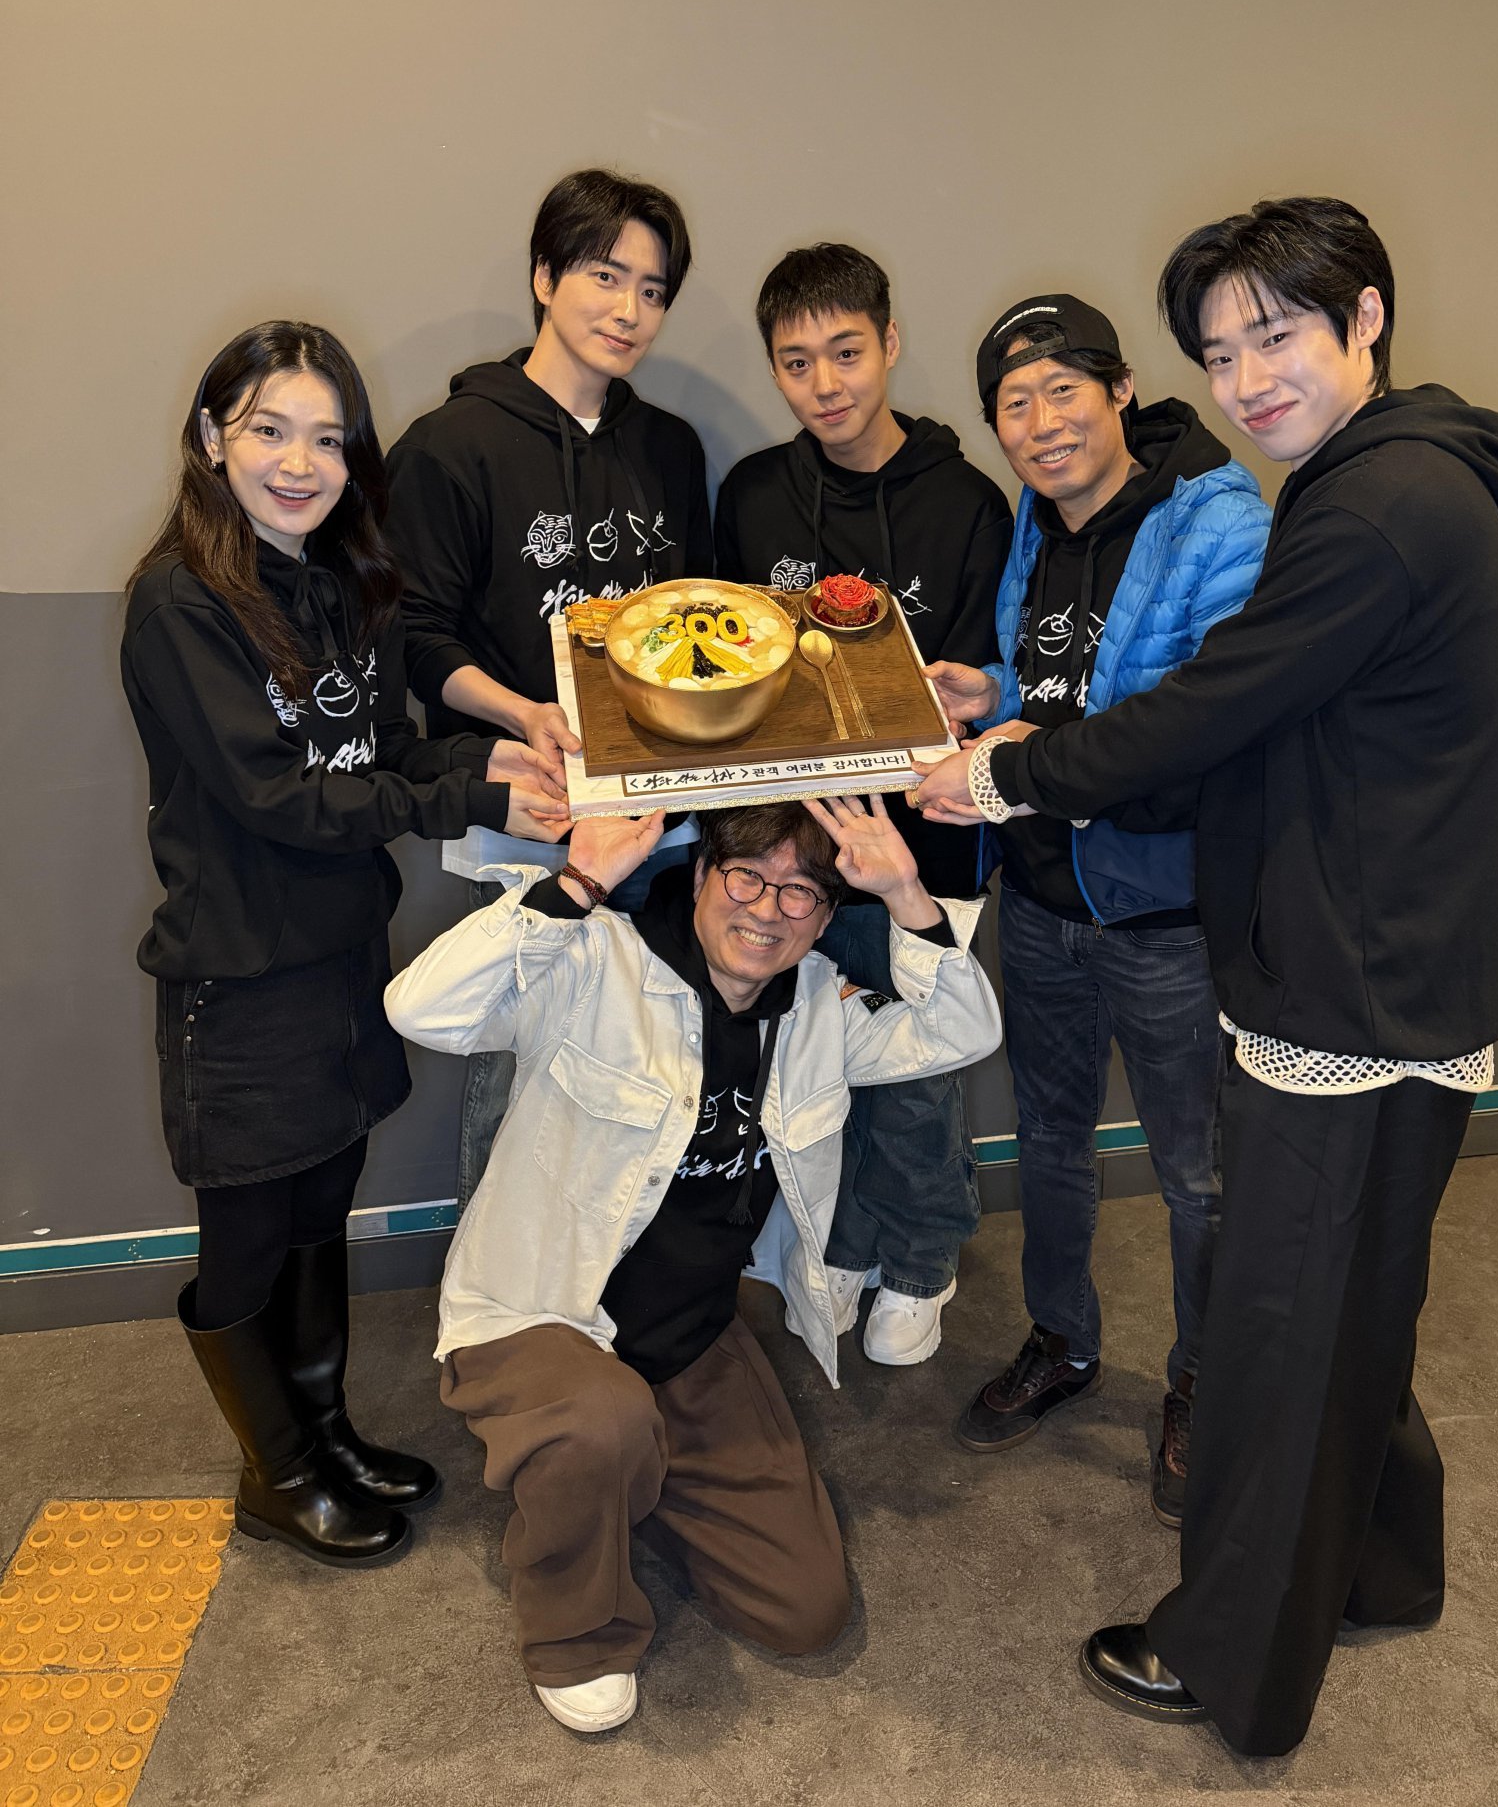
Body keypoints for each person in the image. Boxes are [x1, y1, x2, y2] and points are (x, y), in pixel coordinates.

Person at [915, 197, 1498, 1756]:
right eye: (1221, 350)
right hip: (1399, 963)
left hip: (1357, 984)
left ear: (1365, 316)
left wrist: (1002, 775)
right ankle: (1378, 1564)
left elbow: (1210, 706)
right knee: (1356, 1302)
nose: (1248, 378)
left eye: (1277, 334)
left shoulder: (1374, 507)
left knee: (1281, 1318)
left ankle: (1238, 1655)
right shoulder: (1389, 475)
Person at [384, 794, 1002, 1732]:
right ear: (704, 872)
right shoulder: (595, 958)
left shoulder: (818, 1007)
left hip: (691, 1335)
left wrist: (909, 892)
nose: (768, 909)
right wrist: (578, 882)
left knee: (804, 1610)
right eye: (747, 876)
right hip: (538, 1316)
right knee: (599, 1419)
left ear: (824, 917)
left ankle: (620, 1468)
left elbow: (963, 1031)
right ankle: (574, 1624)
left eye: (800, 893)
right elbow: (420, 1007)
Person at [121, 322, 558, 1568]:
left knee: (324, 1198)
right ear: (212, 438)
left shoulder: (345, 579)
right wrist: (470, 798)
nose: (299, 464)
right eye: (269, 430)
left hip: (341, 954)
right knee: (248, 1232)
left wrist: (496, 754)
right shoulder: (181, 601)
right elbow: (281, 797)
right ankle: (275, 1475)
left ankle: (324, 1436)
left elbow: (378, 750)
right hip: (238, 973)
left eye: (327, 438)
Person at [923, 292, 1269, 1514]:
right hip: (1039, 896)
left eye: (1063, 390)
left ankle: (1206, 1380)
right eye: (1013, 405)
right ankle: (1062, 1339)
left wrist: (1017, 757)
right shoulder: (1037, 515)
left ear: (1121, 390)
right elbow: (1059, 680)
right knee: (1052, 1141)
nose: (1040, 423)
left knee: (1197, 1175)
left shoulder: (1217, 518)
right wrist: (991, 690)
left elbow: (1207, 722)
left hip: (1162, 911)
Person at [384, 169, 714, 1209]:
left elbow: (697, 620)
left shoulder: (669, 448)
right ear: (544, 276)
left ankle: (632, 1282)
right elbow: (414, 635)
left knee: (650, 1071)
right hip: (534, 810)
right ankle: (498, 1295)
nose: (629, 310)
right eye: (605, 276)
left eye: (652, 291)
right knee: (523, 1078)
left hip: (659, 816)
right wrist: (524, 713)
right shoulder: (450, 446)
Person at [714, 243, 1012, 1364]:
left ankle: (924, 1259)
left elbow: (987, 681)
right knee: (821, 1058)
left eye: (846, 352)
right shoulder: (752, 496)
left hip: (922, 846)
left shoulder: (968, 503)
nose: (824, 383)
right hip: (793, 844)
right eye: (796, 363)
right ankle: (839, 1243)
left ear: (889, 342)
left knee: (920, 1073)